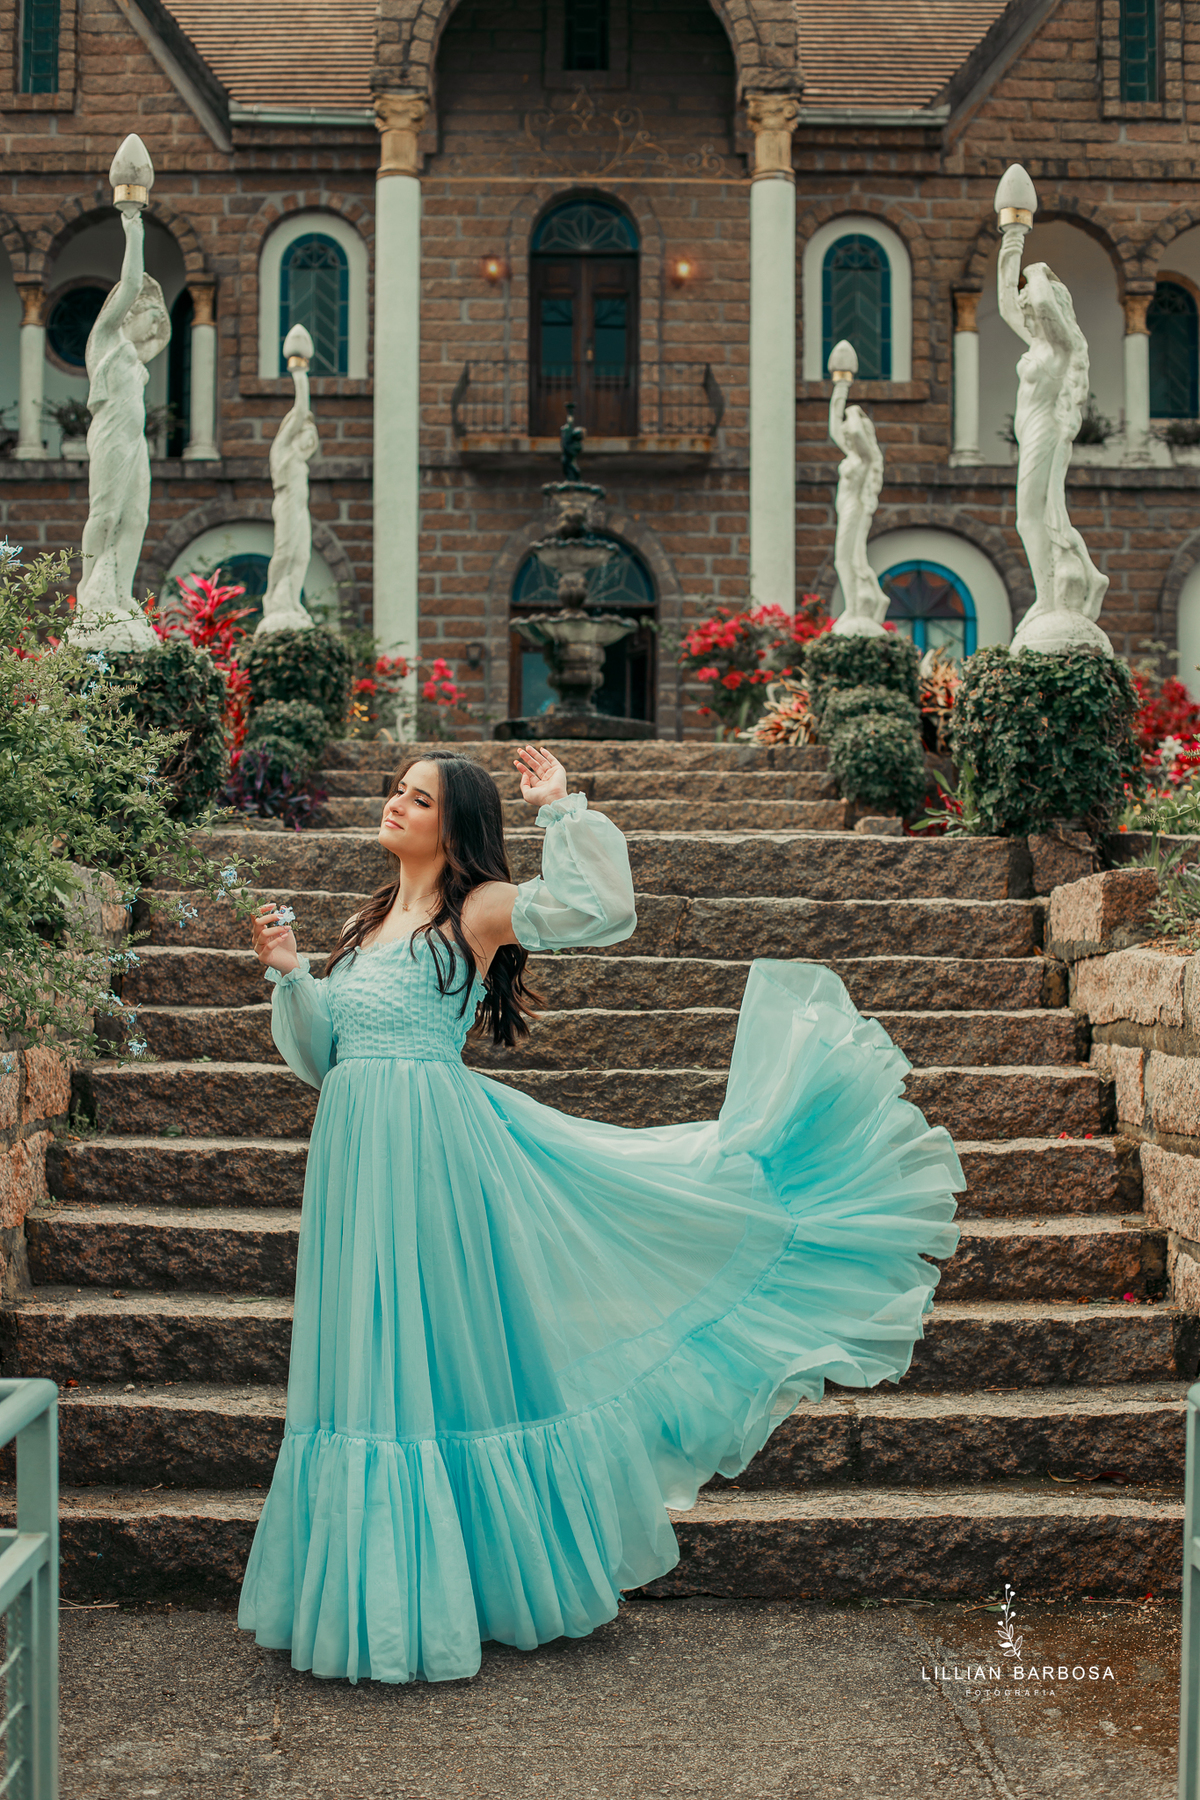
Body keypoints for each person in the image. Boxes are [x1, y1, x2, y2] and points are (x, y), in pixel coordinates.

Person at [237, 742, 963, 1685]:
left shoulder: (479, 910)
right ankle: (377, 1597)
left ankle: (454, 1591)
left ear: (452, 827)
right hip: (355, 1161)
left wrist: (562, 810)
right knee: (367, 1354)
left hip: (431, 1159)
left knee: (436, 1358)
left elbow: (601, 911)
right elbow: (322, 1057)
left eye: (416, 799)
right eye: (395, 791)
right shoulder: (369, 924)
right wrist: (291, 974)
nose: (395, 806)